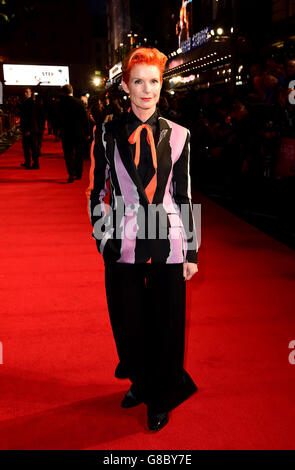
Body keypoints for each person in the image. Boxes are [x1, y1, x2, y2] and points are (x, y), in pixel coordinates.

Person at [88, 47, 198, 432]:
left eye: (153, 81)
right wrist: (102, 235)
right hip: (123, 238)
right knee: (128, 323)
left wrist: (192, 250)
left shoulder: (180, 135)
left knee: (167, 324)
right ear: (125, 85)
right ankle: (139, 377)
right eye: (138, 81)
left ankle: (161, 396)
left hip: (167, 237)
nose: (146, 90)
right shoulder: (106, 131)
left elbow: (182, 194)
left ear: (161, 83)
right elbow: (97, 188)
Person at [58, 84, 90, 183]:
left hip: (66, 132)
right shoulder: (79, 102)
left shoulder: (61, 103)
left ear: (63, 92)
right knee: (79, 153)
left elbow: (58, 118)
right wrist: (87, 132)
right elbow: (85, 118)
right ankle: (79, 173)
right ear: (72, 91)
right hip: (78, 132)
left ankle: (71, 173)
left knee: (68, 154)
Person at [20, 87, 40, 169]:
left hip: (30, 129)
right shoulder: (27, 101)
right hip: (29, 128)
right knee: (26, 147)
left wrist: (28, 129)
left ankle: (35, 163)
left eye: (27, 92)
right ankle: (28, 162)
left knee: (32, 147)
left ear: (30, 92)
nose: (25, 93)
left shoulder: (31, 102)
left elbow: (31, 117)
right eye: (24, 92)